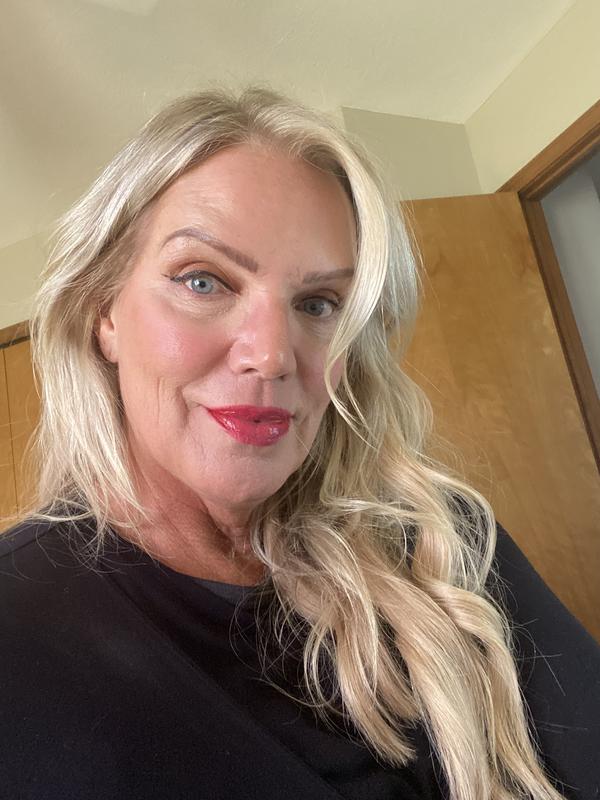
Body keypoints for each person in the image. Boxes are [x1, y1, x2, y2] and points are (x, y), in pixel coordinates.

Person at [1, 86, 598, 800]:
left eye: (318, 304)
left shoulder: (443, 546)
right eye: (203, 281)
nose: (273, 355)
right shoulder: (19, 628)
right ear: (104, 314)